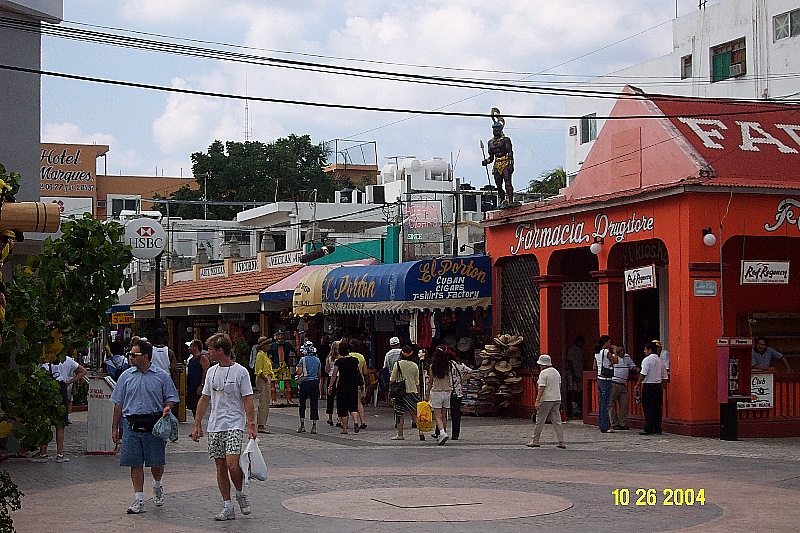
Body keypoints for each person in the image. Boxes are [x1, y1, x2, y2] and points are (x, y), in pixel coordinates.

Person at [190, 333, 256, 521]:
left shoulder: (240, 372)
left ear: (220, 350)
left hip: (234, 423)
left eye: (210, 349)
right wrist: (197, 424)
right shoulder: (211, 372)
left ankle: (240, 492)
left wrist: (251, 424)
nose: (208, 352)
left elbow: (247, 399)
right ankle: (227, 505)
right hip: (215, 425)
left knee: (232, 464)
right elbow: (204, 398)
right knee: (220, 466)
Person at [110, 340, 179, 514]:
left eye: (134, 354)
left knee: (156, 462)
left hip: (154, 424)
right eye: (130, 354)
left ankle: (157, 484)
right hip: (132, 424)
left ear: (145, 356)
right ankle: (139, 499)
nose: (131, 357)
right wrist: (114, 428)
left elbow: (171, 397)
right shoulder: (126, 376)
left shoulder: (161, 376)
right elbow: (118, 404)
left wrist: (168, 406)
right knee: (135, 463)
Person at [29, 354, 87, 463]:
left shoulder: (45, 359)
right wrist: (70, 381)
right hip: (62, 389)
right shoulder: (68, 360)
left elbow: (39, 376)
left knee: (45, 423)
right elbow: (83, 371)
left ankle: (43, 452)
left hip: (48, 390)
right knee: (60, 424)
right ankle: (59, 454)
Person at [526, 354, 566, 449]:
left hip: (546, 399)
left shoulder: (544, 373)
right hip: (556, 398)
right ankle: (561, 441)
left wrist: (537, 400)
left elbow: (541, 388)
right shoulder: (556, 372)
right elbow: (559, 386)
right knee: (557, 421)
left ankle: (535, 440)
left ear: (542, 364)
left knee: (540, 420)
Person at [390, 345, 424, 441]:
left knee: (399, 413)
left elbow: (392, 379)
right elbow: (417, 381)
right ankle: (420, 432)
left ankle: (400, 434)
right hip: (412, 391)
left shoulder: (398, 364)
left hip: (400, 392)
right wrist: (418, 393)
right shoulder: (415, 365)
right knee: (414, 413)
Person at [481, 109, 515, 206]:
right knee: (498, 185)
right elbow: (491, 158)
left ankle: (511, 200)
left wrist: (511, 164)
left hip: (505, 162)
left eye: (497, 129)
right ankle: (502, 200)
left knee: (507, 183)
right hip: (497, 163)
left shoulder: (506, 140)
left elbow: (510, 152)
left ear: (500, 129)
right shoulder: (490, 143)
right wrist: (486, 161)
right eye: (493, 129)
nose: (495, 131)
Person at [635, 341, 669, 436]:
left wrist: (638, 384)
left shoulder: (647, 360)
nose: (644, 351)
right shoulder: (661, 361)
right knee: (657, 408)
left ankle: (649, 427)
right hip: (658, 387)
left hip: (649, 386)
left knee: (648, 407)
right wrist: (663, 388)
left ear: (650, 350)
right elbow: (665, 377)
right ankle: (657, 427)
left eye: (646, 349)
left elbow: (643, 374)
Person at [328, 343, 360, 434]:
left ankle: (345, 429)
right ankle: (356, 422)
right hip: (353, 385)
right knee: (353, 406)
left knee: (343, 408)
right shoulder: (355, 360)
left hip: (342, 386)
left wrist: (330, 386)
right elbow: (358, 372)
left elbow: (334, 375)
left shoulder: (339, 362)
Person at [609, 344, 639, 431]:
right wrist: (614, 354)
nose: (622, 352)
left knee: (624, 405)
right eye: (620, 351)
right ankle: (614, 423)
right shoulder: (612, 357)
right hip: (614, 382)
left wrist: (636, 369)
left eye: (623, 350)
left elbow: (632, 366)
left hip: (623, 383)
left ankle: (622, 423)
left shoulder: (627, 357)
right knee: (612, 404)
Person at [426, 345, 452, 445]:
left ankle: (442, 433)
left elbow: (431, 381)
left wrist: (427, 393)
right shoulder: (448, 366)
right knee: (444, 415)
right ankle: (443, 432)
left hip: (436, 391)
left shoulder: (432, 366)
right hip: (447, 391)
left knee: (437, 416)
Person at [592, 335, 618, 434]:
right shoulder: (606, 351)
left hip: (599, 378)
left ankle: (601, 424)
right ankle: (605, 425)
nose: (610, 344)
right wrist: (615, 352)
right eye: (609, 342)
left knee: (601, 402)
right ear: (605, 343)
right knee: (606, 403)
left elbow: (594, 367)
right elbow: (615, 361)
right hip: (606, 379)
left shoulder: (597, 353)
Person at [296, 341, 322, 434]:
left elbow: (299, 372)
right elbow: (319, 374)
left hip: (305, 383)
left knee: (302, 403)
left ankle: (302, 424)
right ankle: (314, 426)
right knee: (314, 404)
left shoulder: (302, 359)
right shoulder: (317, 360)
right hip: (314, 382)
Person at [447, 348, 472, 440]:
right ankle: (455, 434)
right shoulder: (460, 365)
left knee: (443, 412)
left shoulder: (448, 365)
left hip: (449, 391)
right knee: (456, 414)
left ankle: (439, 431)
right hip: (458, 392)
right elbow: (470, 371)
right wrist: (462, 379)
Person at [268, 330, 296, 405]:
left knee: (287, 384)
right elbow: (267, 354)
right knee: (273, 384)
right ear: (275, 337)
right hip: (275, 366)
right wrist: (270, 361)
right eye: (278, 335)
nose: (280, 337)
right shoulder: (272, 346)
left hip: (285, 365)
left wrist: (297, 338)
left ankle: (289, 399)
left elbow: (296, 350)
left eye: (281, 335)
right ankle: (274, 400)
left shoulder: (287, 345)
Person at [186, 339, 211, 420]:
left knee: (198, 407)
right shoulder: (191, 360)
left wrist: (201, 385)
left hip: (198, 386)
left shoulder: (202, 358)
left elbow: (206, 372)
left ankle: (198, 427)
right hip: (191, 386)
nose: (189, 348)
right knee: (193, 407)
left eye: (191, 346)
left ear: (196, 347)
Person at [254, 336, 274, 434]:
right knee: (264, 402)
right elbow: (258, 369)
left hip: (266, 378)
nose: (268, 346)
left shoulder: (264, 355)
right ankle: (261, 425)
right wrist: (265, 378)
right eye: (266, 344)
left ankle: (262, 423)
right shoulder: (260, 355)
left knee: (266, 402)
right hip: (263, 379)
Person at [348, 339, 369, 430]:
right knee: (359, 402)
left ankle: (341, 421)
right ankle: (363, 421)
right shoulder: (361, 357)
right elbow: (365, 371)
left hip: (348, 381)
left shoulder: (347, 356)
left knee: (346, 402)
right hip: (359, 381)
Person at [565, 335, 585, 416]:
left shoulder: (580, 350)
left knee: (578, 390)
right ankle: (573, 407)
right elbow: (569, 362)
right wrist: (573, 374)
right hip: (573, 373)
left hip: (579, 372)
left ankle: (576, 406)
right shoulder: (573, 350)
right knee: (573, 390)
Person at [325, 340, 341, 427]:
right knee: (340, 399)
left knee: (330, 398)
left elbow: (327, 371)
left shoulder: (329, 358)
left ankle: (330, 417)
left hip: (331, 378)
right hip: (340, 378)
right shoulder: (341, 357)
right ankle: (339, 418)